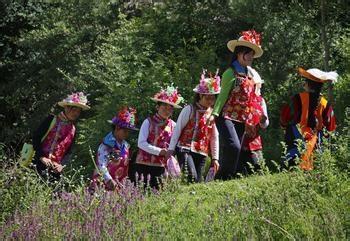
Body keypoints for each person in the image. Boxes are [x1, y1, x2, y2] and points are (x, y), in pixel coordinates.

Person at [208, 30, 265, 179]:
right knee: (234, 147)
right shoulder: (230, 72)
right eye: (248, 53)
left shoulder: (251, 74)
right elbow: (222, 96)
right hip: (225, 116)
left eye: (252, 54)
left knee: (235, 152)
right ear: (239, 53)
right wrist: (214, 114)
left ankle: (224, 180)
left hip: (241, 118)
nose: (251, 57)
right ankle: (221, 177)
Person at [168, 70, 220, 183]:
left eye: (213, 98)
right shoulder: (189, 109)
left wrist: (215, 158)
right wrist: (171, 150)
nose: (210, 101)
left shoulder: (212, 114)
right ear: (200, 95)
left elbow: (214, 137)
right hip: (184, 149)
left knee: (199, 182)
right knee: (192, 176)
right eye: (208, 98)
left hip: (202, 152)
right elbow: (178, 130)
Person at [280, 67, 337, 170]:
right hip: (316, 144)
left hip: (296, 141)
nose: (304, 84)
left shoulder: (297, 98)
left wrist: (284, 127)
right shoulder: (326, 104)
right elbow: (331, 127)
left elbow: (285, 117)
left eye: (305, 82)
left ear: (308, 84)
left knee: (292, 171)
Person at [32, 92, 90, 182]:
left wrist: (61, 165)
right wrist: (41, 157)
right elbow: (36, 137)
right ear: (66, 108)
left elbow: (69, 152)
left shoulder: (73, 129)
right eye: (74, 110)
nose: (76, 113)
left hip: (55, 170)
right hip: (38, 163)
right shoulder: (51, 119)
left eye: (78, 111)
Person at [133, 86, 183, 189]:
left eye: (170, 108)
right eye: (164, 107)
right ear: (157, 107)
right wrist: (160, 151)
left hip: (161, 166)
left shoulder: (174, 125)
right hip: (144, 165)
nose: (167, 110)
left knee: (158, 192)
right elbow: (141, 143)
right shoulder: (148, 122)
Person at [91, 107, 138, 191]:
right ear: (117, 128)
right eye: (125, 131)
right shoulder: (106, 145)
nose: (127, 134)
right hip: (103, 184)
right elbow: (101, 165)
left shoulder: (126, 146)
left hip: (119, 185)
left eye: (129, 131)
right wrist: (109, 180)